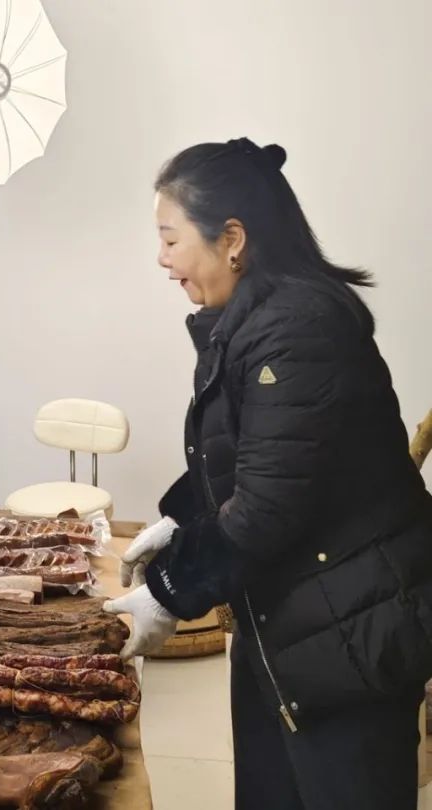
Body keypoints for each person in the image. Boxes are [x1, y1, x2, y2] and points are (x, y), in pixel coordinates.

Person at [102, 138, 432, 809]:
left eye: (170, 239)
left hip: (353, 631)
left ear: (232, 239)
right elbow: (249, 456)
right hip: (284, 619)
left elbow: (268, 507)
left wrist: (169, 593)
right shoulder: (248, 319)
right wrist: (179, 522)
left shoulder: (300, 328)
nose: (162, 259)